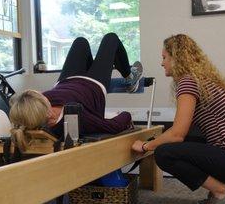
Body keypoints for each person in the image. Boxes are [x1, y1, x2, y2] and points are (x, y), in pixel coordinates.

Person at [131, 34, 225, 204]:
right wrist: (155, 141)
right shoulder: (200, 80)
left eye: (164, 57)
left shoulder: (188, 82)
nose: (162, 63)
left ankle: (222, 191)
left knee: (164, 153)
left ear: (178, 58)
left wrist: (145, 146)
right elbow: (185, 132)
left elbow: (176, 135)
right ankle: (221, 187)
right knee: (177, 143)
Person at [9, 32, 143, 152]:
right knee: (111, 38)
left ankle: (92, 66)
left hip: (68, 79)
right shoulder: (74, 117)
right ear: (48, 112)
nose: (43, 94)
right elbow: (113, 126)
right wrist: (126, 115)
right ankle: (130, 80)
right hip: (94, 85)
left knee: (80, 42)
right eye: (42, 96)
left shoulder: (36, 108)